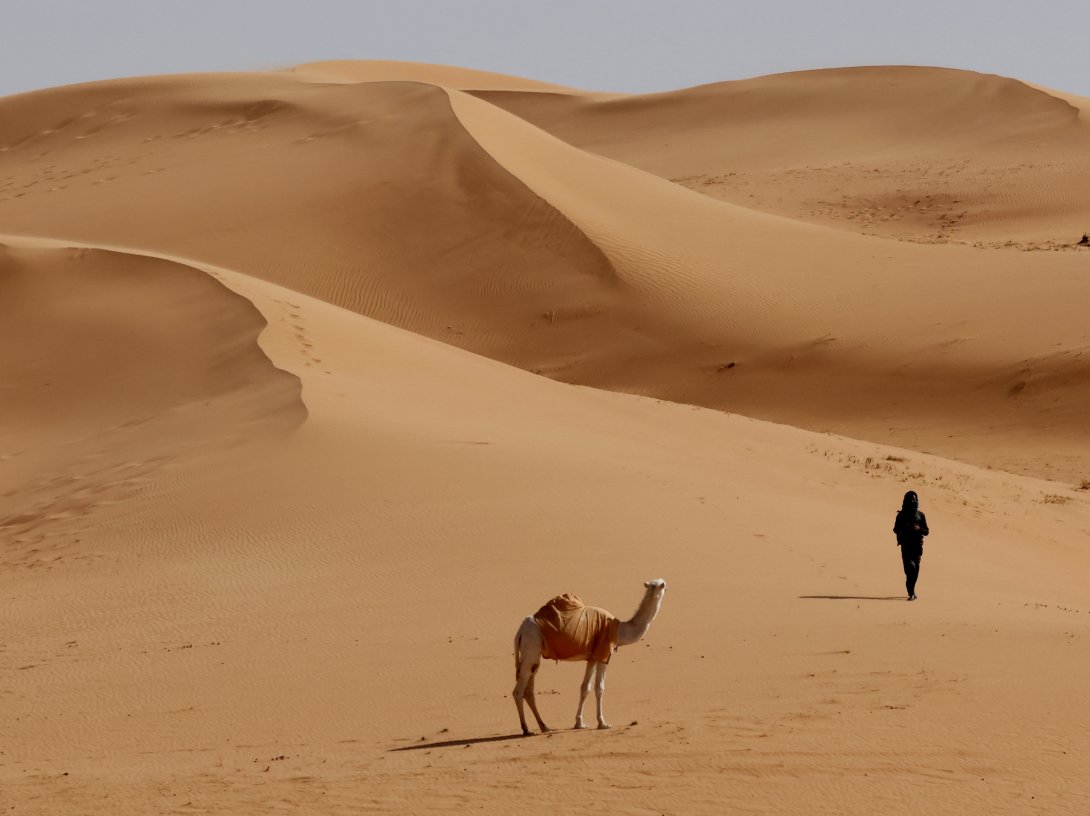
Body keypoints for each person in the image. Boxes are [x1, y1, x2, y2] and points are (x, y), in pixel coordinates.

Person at [893, 490, 929, 600]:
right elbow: (895, 529)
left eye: (915, 499)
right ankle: (911, 592)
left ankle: (911, 591)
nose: (913, 501)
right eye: (911, 499)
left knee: (915, 571)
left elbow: (926, 531)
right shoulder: (901, 515)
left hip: (917, 547)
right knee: (910, 569)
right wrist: (905, 528)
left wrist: (919, 529)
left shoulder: (920, 515)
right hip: (906, 546)